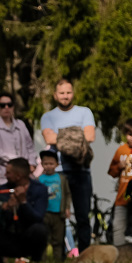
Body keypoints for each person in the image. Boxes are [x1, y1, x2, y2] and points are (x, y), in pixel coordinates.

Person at [40, 78, 95, 250]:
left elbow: (90, 136)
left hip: (81, 171)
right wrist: (76, 134)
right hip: (59, 172)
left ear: (73, 93)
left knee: (83, 215)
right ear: (56, 95)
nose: (65, 96)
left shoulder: (84, 112)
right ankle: (61, 254)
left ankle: (85, 253)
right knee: (59, 215)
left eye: (68, 92)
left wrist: (61, 136)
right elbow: (49, 138)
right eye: (62, 93)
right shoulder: (48, 116)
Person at [0, 159, 49, 263]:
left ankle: (36, 260)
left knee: (40, 230)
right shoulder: (2, 190)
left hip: (27, 235)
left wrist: (24, 202)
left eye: (8, 173)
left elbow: (38, 217)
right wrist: (6, 209)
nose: (5, 175)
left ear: (18, 176)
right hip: (8, 235)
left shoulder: (39, 189)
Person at [0, 92, 37, 180]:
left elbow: (30, 147)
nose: (6, 107)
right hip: (3, 174)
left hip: (24, 173)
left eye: (9, 105)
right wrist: (19, 162)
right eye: (2, 105)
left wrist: (32, 163)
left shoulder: (21, 125)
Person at [37, 150, 71, 260]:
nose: (48, 166)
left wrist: (67, 208)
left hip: (58, 212)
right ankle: (42, 259)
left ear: (57, 164)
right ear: (42, 164)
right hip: (44, 213)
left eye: (51, 164)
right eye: (46, 164)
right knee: (43, 238)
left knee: (58, 238)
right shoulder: (40, 179)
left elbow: (67, 193)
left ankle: (58, 259)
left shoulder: (61, 178)